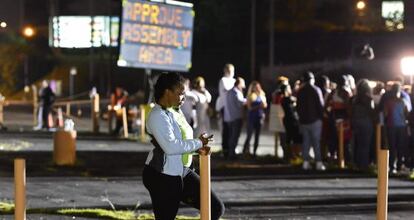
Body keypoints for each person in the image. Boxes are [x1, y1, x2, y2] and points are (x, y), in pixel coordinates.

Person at [142, 72, 224, 220]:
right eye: (180, 93)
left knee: (215, 208)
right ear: (167, 92)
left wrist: (196, 148)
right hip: (162, 175)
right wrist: (198, 142)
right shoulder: (157, 116)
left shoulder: (174, 112)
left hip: (181, 170)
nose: (184, 98)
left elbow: (182, 141)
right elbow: (171, 147)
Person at [296, 72, 326, 171]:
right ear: (312, 79)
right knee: (316, 142)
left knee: (306, 142)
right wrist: (322, 117)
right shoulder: (316, 90)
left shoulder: (300, 91)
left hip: (304, 120)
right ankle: (318, 163)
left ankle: (305, 163)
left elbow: (298, 107)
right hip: (315, 120)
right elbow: (320, 105)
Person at [350, 79, 375, 170]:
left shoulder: (354, 99)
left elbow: (351, 111)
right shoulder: (369, 99)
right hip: (366, 122)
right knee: (365, 144)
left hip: (355, 121)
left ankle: (356, 164)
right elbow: (371, 111)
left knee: (357, 144)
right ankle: (363, 165)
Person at [216, 64, 236, 158]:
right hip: (224, 107)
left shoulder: (234, 80)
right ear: (226, 71)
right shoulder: (223, 80)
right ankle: (225, 150)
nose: (232, 73)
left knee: (233, 130)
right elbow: (228, 91)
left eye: (232, 70)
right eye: (230, 71)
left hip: (234, 108)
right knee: (226, 130)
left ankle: (232, 148)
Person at [243, 81, 267, 157]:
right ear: (253, 88)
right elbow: (249, 108)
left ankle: (254, 152)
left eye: (258, 87)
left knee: (257, 136)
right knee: (249, 135)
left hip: (259, 117)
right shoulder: (251, 95)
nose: (257, 88)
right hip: (251, 117)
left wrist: (263, 105)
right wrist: (259, 106)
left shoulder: (262, 95)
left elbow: (265, 105)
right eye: (256, 87)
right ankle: (245, 150)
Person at [224, 77, 246, 159]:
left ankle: (230, 152)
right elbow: (240, 104)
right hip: (237, 117)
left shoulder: (229, 92)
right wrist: (247, 101)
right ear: (239, 83)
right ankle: (232, 154)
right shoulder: (237, 92)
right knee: (235, 136)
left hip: (229, 117)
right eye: (243, 84)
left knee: (231, 136)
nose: (244, 86)